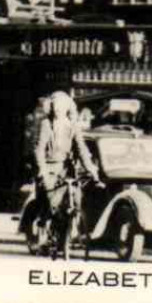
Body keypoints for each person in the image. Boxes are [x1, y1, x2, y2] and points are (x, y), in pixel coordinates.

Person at [33, 91, 97, 256]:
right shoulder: (46, 124)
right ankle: (43, 233)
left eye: (62, 106)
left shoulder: (73, 126)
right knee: (50, 199)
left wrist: (92, 170)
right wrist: (43, 171)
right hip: (49, 167)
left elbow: (82, 150)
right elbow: (39, 149)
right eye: (55, 106)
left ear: (68, 107)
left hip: (66, 169)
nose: (58, 109)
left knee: (76, 197)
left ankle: (73, 232)